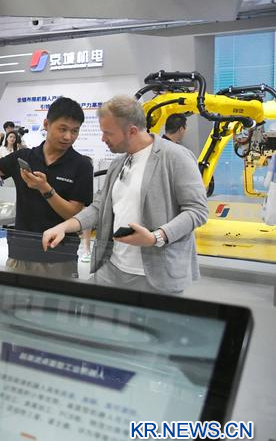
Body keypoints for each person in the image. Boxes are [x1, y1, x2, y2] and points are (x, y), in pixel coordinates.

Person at [42, 95, 208, 294]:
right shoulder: (118, 164)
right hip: (112, 269)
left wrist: (156, 237)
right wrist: (64, 227)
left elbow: (197, 211)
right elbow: (99, 207)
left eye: (108, 133)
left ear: (132, 131)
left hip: (156, 277)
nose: (103, 139)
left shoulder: (175, 157)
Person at [0, 97, 93, 279]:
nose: (68, 137)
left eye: (75, 131)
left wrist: (46, 189)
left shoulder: (81, 165)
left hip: (59, 257)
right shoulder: (24, 156)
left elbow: (74, 215)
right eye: (63, 129)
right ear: (46, 124)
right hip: (20, 253)